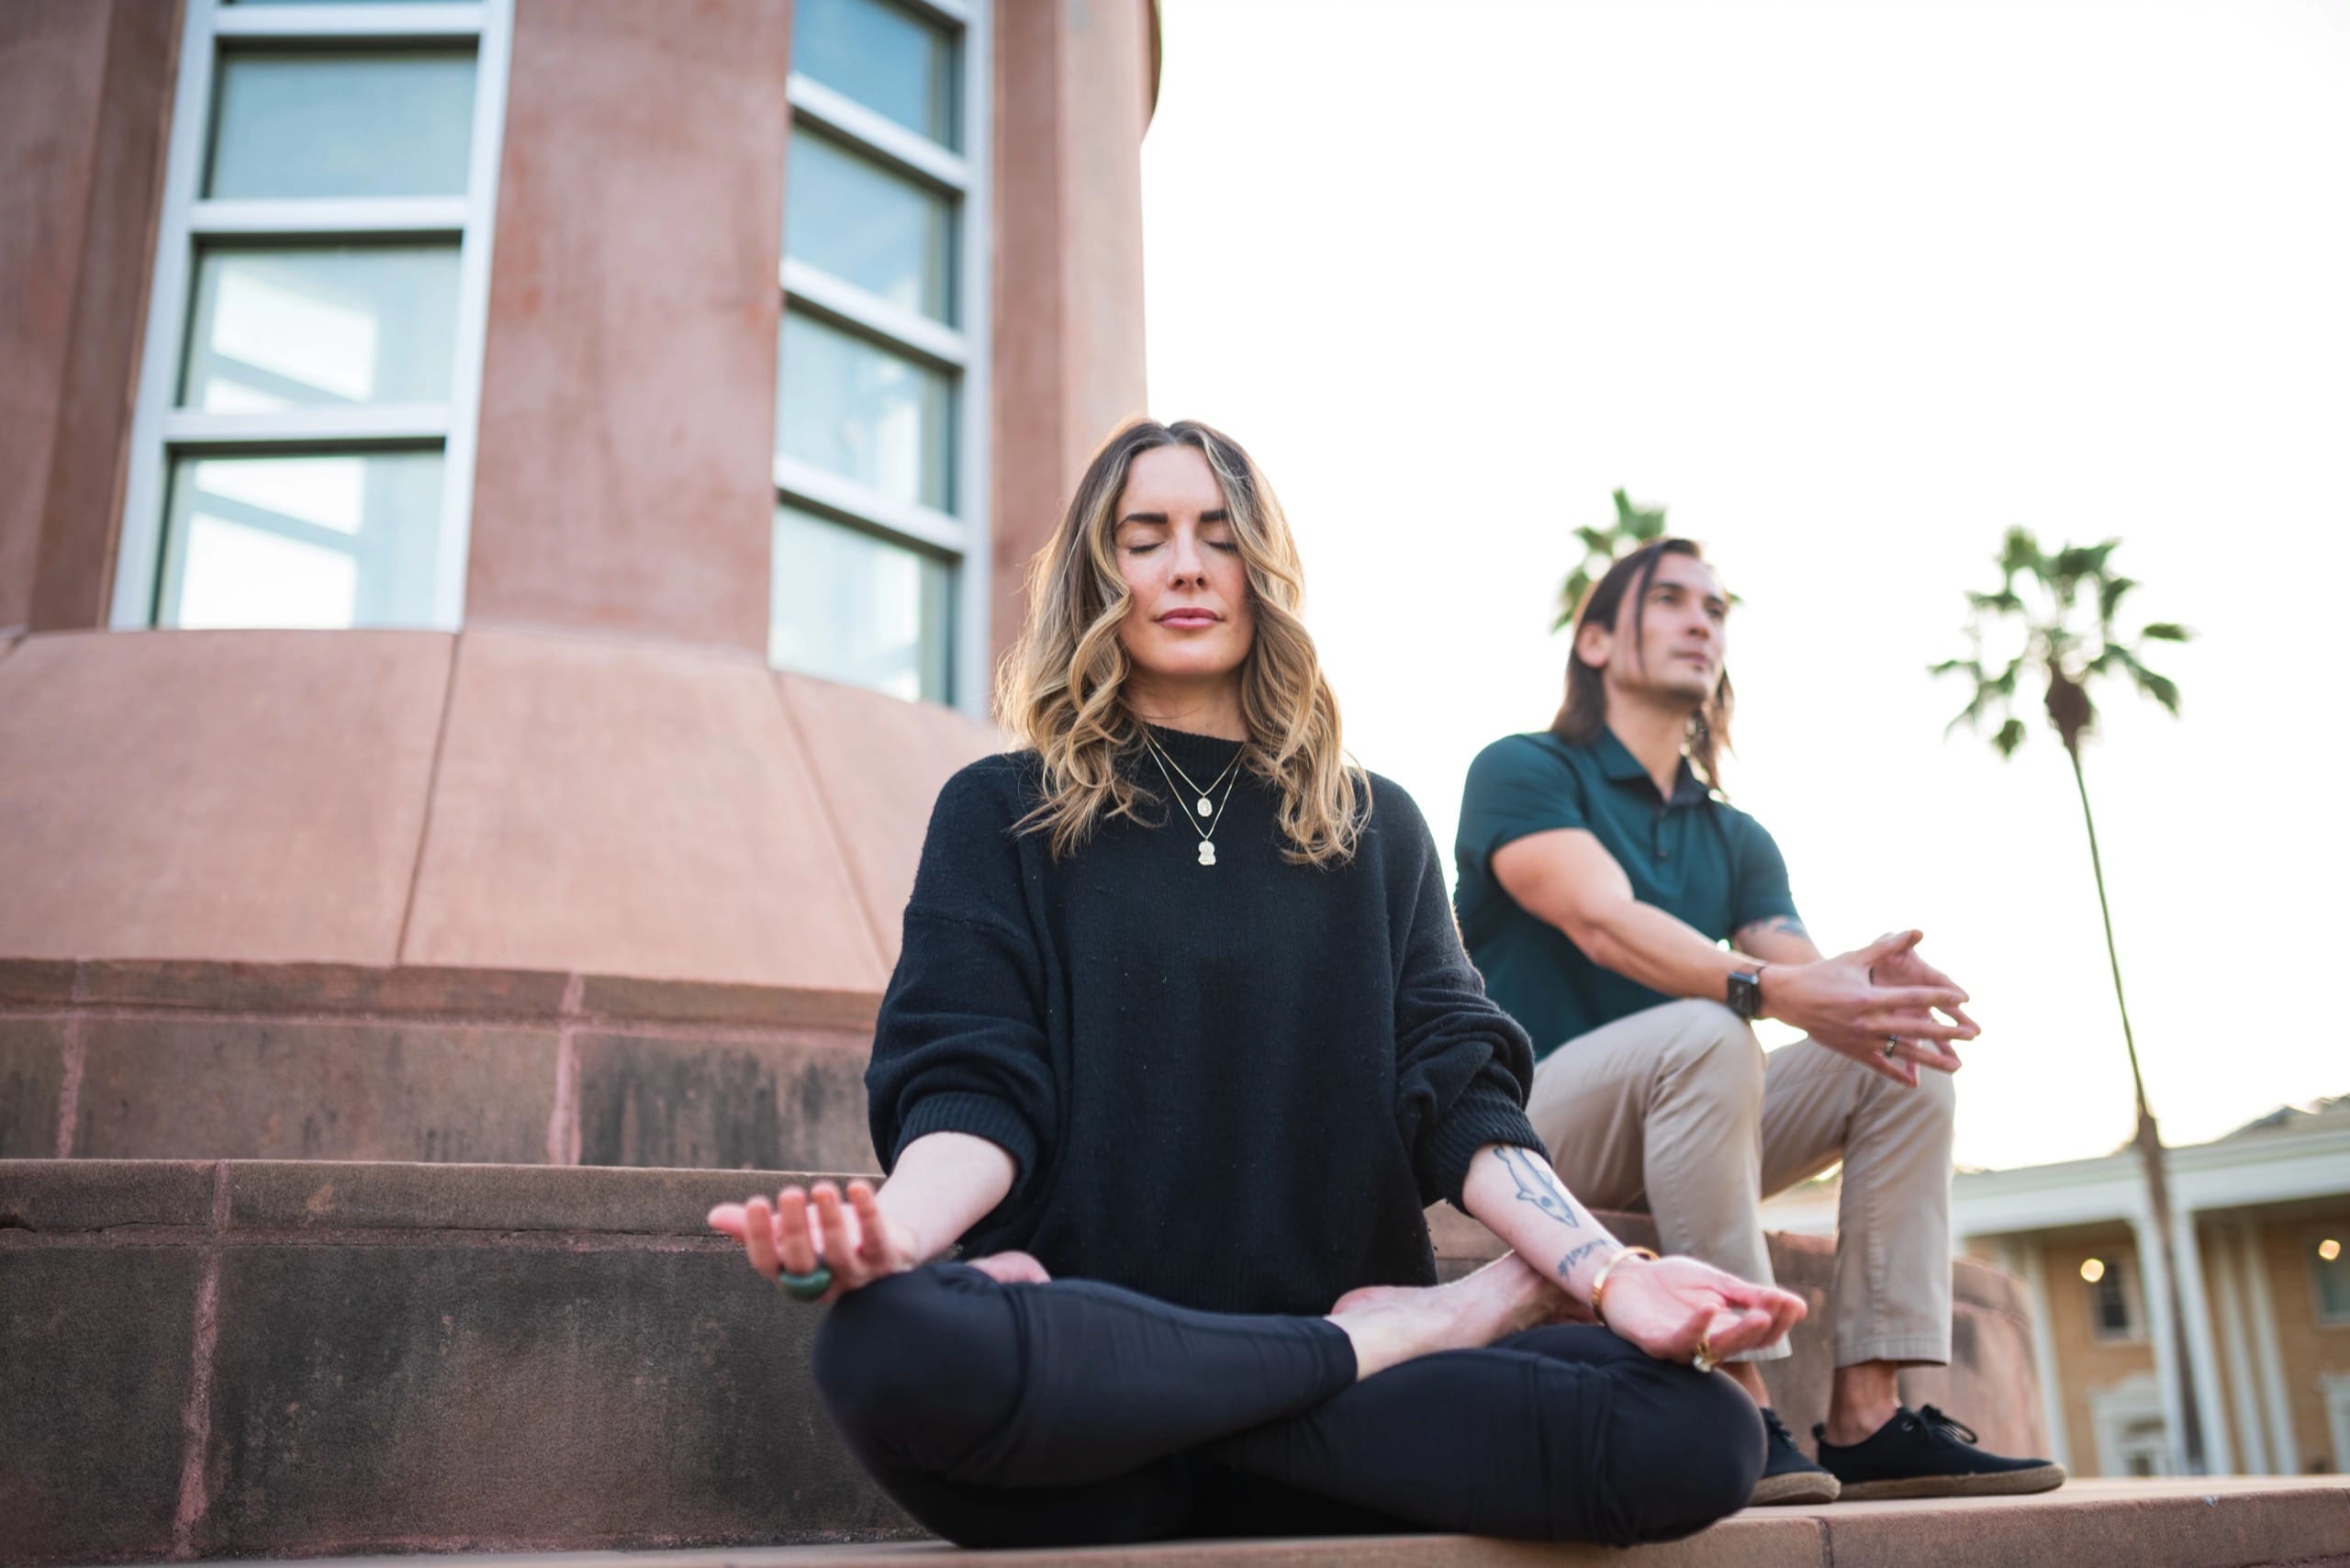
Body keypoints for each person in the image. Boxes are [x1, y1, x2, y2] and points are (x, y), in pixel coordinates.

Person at [710, 420, 1807, 1550]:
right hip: (1131, 1371)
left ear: (1261, 575)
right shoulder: (1000, 810)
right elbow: (972, 1089)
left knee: (1702, 1430)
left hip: (1179, 1431)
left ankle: (1218, 1425)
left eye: (1219, 537)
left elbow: (1465, 1096)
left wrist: (1605, 1270)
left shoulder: (1375, 827)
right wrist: (884, 1241)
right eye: (1146, 537)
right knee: (881, 1339)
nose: (1185, 565)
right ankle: (1383, 1344)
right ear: (1101, 573)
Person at [1452, 537, 2067, 1505]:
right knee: (1709, 1028)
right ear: (1598, 640)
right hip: (1526, 1138)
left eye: (1714, 605)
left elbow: (1797, 969)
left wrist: (1867, 990)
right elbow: (1602, 920)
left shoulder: (1732, 836)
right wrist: (1766, 990)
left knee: (1895, 1056)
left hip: (1682, 1116)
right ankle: (1740, 1404)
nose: (1702, 620)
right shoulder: (1522, 770)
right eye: (1670, 601)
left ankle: (1866, 1419)